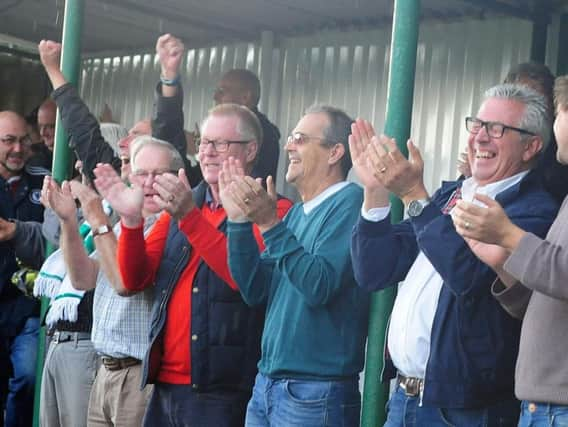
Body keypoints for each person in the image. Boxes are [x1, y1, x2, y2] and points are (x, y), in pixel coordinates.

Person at [95, 32, 293, 427]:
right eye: (204, 142)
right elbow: (133, 280)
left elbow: (243, 280)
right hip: (164, 383)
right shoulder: (180, 209)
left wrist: (189, 217)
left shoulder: (274, 209)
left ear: (251, 151)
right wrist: (132, 222)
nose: (207, 152)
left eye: (222, 145)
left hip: (222, 389)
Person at [350, 84, 558, 426]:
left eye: (497, 129)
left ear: (531, 146)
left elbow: (469, 277)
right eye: (477, 125)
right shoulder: (452, 194)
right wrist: (374, 192)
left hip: (462, 410)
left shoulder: (533, 209)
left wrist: (415, 196)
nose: (480, 138)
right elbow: (375, 271)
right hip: (404, 398)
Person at [221, 104, 370, 426]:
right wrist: (237, 221)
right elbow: (254, 290)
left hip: (315, 391)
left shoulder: (350, 202)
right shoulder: (295, 214)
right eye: (291, 138)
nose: (289, 146)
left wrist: (270, 224)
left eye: (300, 138)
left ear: (334, 153)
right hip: (269, 384)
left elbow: (320, 286)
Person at [451, 75, 568, 427]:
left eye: (559, 112)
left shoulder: (538, 204)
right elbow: (550, 296)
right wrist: (504, 264)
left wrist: (510, 236)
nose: (556, 124)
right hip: (542, 406)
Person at [48, 136, 182, 427]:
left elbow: (125, 284)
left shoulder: (172, 226)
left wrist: (99, 221)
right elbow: (83, 278)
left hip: (140, 378)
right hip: (105, 370)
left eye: (158, 174)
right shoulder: (121, 226)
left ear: (178, 177)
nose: (147, 183)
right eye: (141, 173)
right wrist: (69, 220)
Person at [0, 111, 48, 427]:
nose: (18, 148)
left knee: (29, 377)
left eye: (23, 140)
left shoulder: (46, 179)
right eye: (9, 141)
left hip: (29, 307)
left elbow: (59, 237)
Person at [504, 62, 568, 205]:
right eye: (519, 97)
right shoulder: (491, 137)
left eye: (536, 100)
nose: (530, 107)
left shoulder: (561, 151)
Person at [214, 68, 280, 182]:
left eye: (222, 91)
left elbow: (253, 184)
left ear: (245, 98)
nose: (215, 96)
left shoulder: (263, 134)